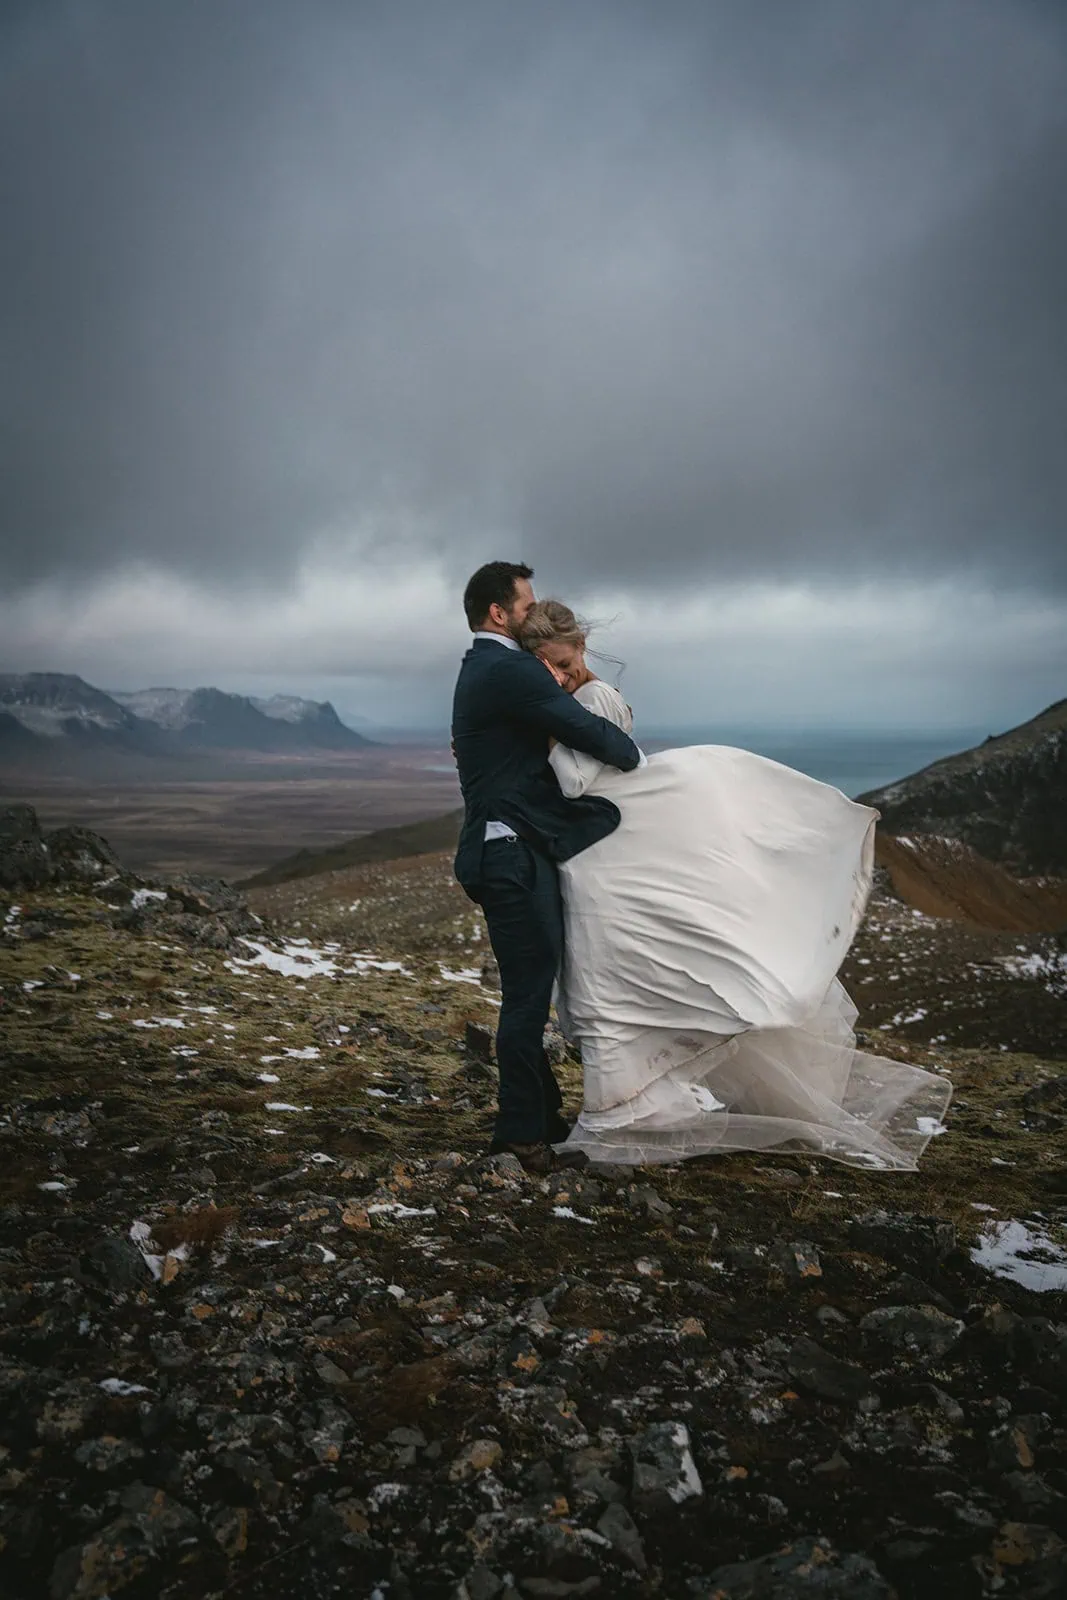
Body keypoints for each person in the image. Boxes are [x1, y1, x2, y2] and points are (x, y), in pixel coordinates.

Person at [516, 598, 952, 1171]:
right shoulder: (579, 699)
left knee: (610, 983)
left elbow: (574, 782)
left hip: (605, 860)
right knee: (610, 983)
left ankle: (622, 1116)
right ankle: (628, 1107)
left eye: (564, 661)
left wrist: (540, 737)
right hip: (599, 859)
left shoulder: (591, 699)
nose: (559, 674)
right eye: (546, 665)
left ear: (580, 650)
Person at [451, 562, 644, 1172]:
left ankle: (543, 1119)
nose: (533, 614)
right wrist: (624, 747)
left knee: (527, 995)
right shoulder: (509, 669)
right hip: (509, 856)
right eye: (525, 604)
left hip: (499, 850)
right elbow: (602, 739)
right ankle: (518, 1136)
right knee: (528, 1002)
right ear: (498, 614)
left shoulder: (482, 669)